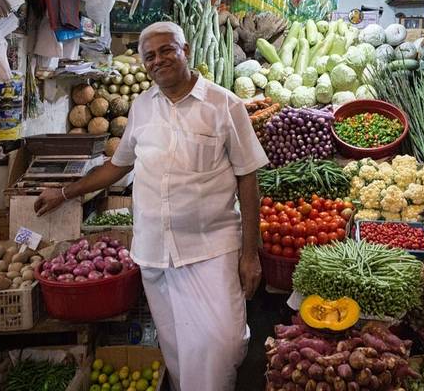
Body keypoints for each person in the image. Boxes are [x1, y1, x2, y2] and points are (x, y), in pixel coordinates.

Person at [34, 21, 268, 391]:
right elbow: (117, 166)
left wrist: (250, 253)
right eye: (150, 56)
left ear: (186, 51)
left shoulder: (225, 105)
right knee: (176, 348)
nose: (158, 60)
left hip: (211, 248)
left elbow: (249, 178)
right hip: (155, 252)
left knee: (223, 343)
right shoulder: (142, 107)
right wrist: (65, 192)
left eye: (166, 50)